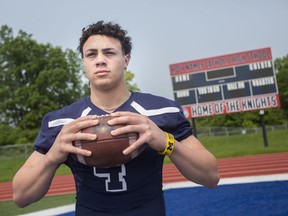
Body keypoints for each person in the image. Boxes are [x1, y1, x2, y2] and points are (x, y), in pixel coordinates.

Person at [13, 21, 219, 215]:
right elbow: (21, 196)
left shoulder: (161, 111)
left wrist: (167, 141)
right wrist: (52, 156)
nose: (100, 60)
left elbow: (210, 176)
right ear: (84, 62)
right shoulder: (61, 122)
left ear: (126, 60)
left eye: (109, 53)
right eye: (91, 54)